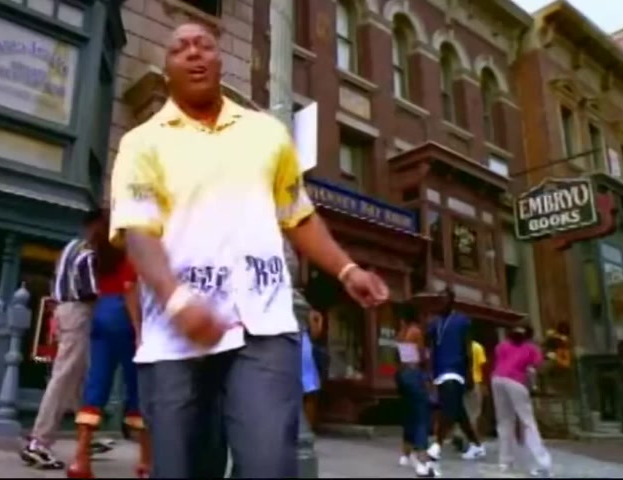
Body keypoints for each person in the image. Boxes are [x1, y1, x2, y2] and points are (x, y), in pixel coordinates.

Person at [108, 22, 390, 478]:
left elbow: (297, 215)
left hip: (264, 327)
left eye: (204, 45)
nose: (194, 53)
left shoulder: (267, 134)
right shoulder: (141, 143)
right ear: (167, 69)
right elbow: (139, 233)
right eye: (180, 48)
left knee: (269, 465)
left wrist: (347, 270)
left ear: (220, 61)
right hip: (177, 337)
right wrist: (177, 301)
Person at [66, 210, 150, 479]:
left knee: (96, 385)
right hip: (122, 316)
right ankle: (146, 461)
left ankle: (80, 459)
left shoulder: (100, 254)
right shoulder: (127, 252)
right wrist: (139, 330)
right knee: (137, 387)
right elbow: (129, 289)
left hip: (101, 313)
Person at [20, 210, 102, 470]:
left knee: (76, 376)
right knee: (65, 377)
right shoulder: (88, 254)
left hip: (63, 311)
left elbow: (56, 282)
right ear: (96, 227)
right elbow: (91, 292)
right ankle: (39, 442)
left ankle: (85, 435)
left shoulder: (69, 248)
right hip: (78, 312)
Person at [425, 288, 485, 461]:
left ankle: (437, 445)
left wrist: (469, 373)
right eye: (439, 299)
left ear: (452, 301)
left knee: (448, 408)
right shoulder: (435, 323)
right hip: (439, 371)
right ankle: (477, 446)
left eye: (444, 299)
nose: (441, 302)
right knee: (458, 411)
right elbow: (428, 344)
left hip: (455, 370)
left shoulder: (462, 320)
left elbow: (467, 348)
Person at [492, 324, 551, 477]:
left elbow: (500, 360)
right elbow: (536, 368)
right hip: (516, 381)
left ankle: (505, 462)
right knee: (527, 422)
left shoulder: (502, 346)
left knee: (504, 421)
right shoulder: (531, 348)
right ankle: (541, 462)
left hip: (497, 379)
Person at [395, 310, 438, 477]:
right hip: (413, 373)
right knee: (421, 415)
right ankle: (422, 458)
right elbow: (420, 356)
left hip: (402, 374)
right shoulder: (415, 331)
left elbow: (401, 355)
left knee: (408, 414)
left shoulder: (401, 333)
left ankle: (406, 454)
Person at [452, 339, 487, 451]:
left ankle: (458, 432)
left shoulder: (453, 347)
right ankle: (472, 441)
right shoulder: (477, 347)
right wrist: (484, 384)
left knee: (461, 410)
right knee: (474, 413)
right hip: (474, 382)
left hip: (458, 382)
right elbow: (482, 367)